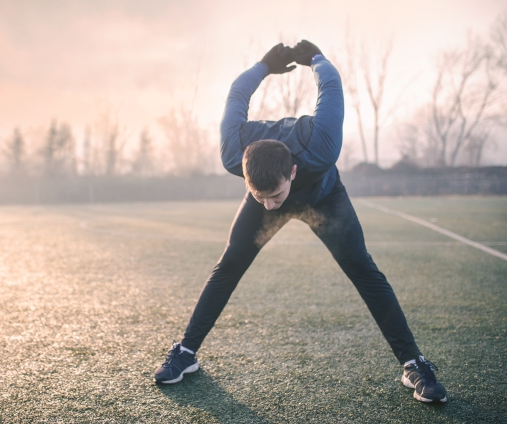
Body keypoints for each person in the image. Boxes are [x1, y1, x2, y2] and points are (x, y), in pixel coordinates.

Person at [154, 40, 447, 403]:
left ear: (293, 171)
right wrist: (263, 65)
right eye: (260, 195)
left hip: (323, 198)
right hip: (271, 185)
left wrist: (317, 60)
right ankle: (185, 352)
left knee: (362, 268)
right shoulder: (234, 154)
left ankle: (414, 363)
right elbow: (236, 94)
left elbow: (331, 86)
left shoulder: (320, 143)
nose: (271, 206)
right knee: (228, 265)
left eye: (275, 196)